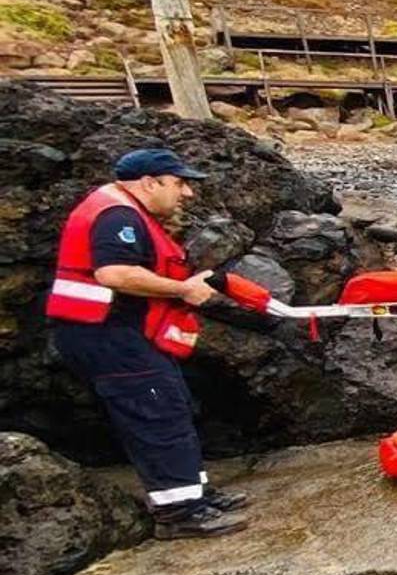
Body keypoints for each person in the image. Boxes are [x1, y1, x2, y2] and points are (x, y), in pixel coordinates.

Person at [46, 148, 249, 539]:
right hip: (105, 334)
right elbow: (114, 273)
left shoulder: (122, 210)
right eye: (179, 183)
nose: (186, 194)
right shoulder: (117, 216)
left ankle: (194, 493)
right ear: (149, 182)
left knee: (171, 404)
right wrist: (182, 289)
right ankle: (179, 513)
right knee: (155, 414)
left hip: (123, 332)